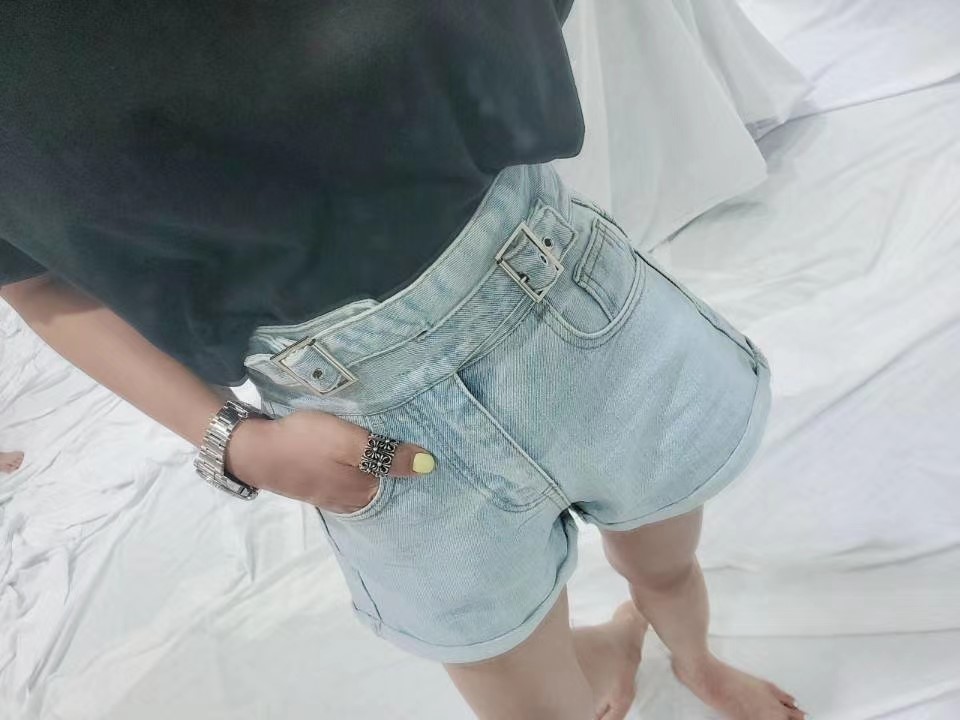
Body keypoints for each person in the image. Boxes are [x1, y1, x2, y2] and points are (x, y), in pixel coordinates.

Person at [0, 3, 804, 719]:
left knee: (666, 568)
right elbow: (33, 280)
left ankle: (692, 659)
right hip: (374, 435)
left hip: (570, 301)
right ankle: (622, 647)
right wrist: (234, 442)